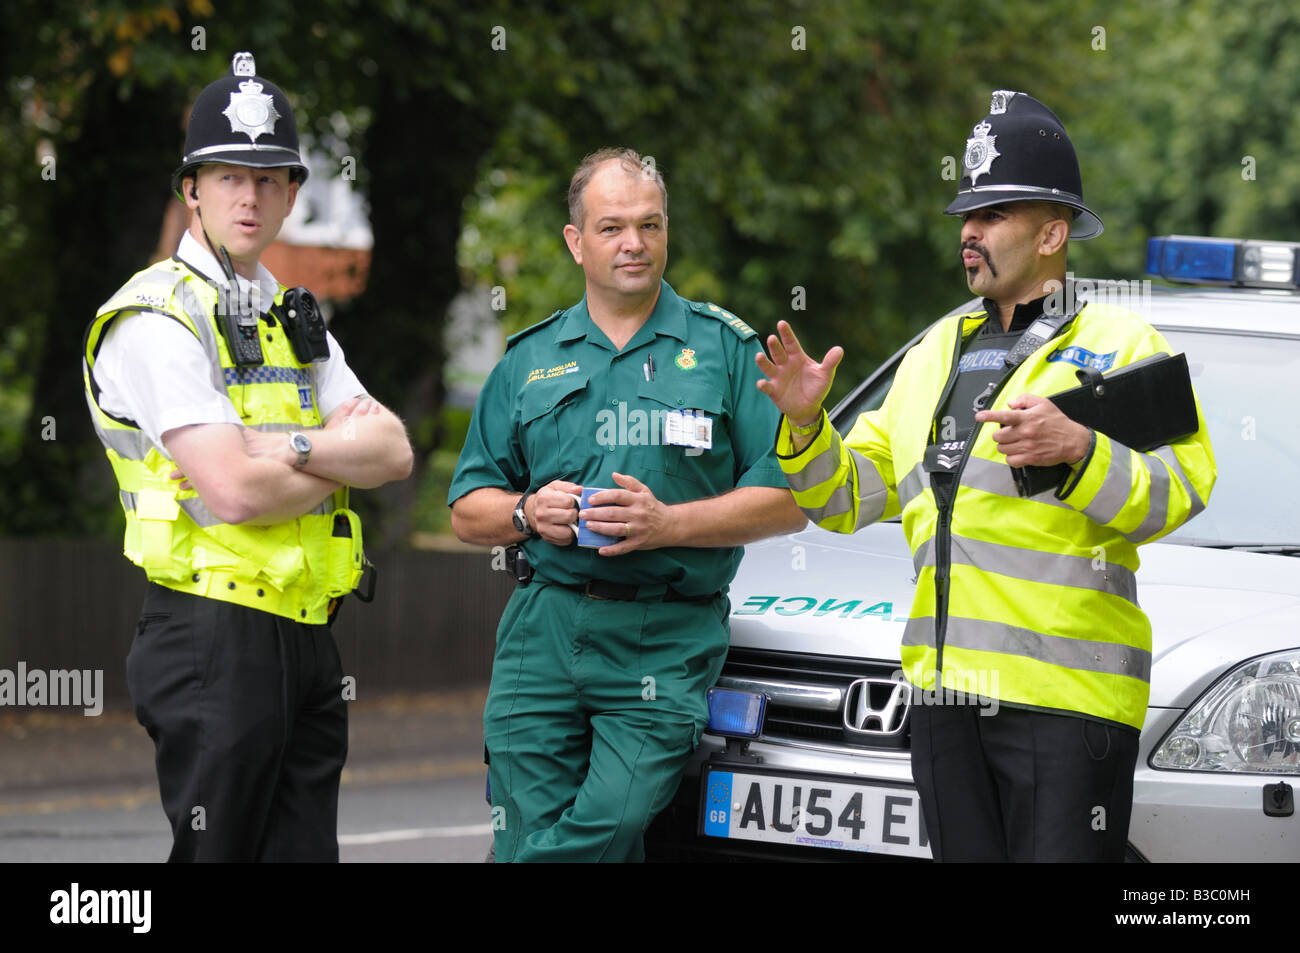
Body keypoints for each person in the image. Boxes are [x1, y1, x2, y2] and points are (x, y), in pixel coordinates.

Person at [756, 91, 1216, 862]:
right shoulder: (934, 351)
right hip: (942, 701)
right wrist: (806, 425)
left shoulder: (1120, 342)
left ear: (1053, 232)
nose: (970, 231)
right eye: (967, 214)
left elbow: (1183, 488)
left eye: (995, 212)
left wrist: (1080, 449)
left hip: (1067, 704)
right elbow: (842, 497)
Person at [82, 52, 413, 862]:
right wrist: (338, 455)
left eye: (269, 179)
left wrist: (298, 445)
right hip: (211, 631)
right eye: (229, 175)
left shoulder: (290, 316)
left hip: (306, 632)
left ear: (294, 194)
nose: (250, 195)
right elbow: (230, 489)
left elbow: (396, 449)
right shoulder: (156, 317)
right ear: (190, 187)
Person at [448, 148, 806, 862]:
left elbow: (787, 501)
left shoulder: (725, 350)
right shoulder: (529, 358)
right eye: (612, 227)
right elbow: (466, 507)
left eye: (649, 224)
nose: (634, 243)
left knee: (613, 822)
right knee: (524, 824)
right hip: (543, 625)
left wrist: (670, 523)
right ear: (577, 242)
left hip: (664, 632)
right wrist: (526, 512)